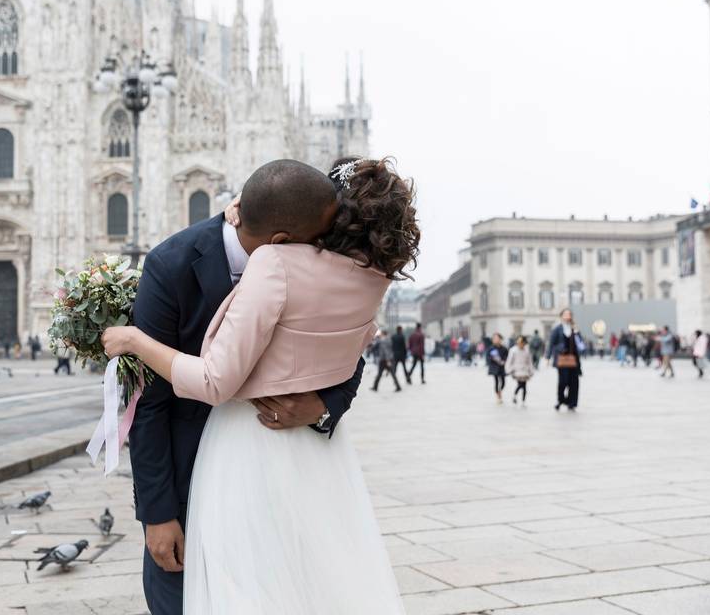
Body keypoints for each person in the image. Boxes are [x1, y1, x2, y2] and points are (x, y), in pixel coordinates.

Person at [102, 157, 415, 614]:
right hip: (195, 475)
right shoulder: (173, 263)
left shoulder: (296, 259)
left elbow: (349, 359)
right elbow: (148, 402)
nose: (323, 246)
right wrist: (157, 512)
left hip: (271, 462)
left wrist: (323, 406)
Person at [547, 308, 584, 412]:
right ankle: (560, 400)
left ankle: (572, 403)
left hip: (574, 359)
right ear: (561, 316)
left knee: (574, 382)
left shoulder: (574, 329)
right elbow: (551, 344)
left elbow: (581, 344)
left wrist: (576, 333)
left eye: (569, 314)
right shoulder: (557, 329)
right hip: (562, 359)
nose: (568, 316)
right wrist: (548, 356)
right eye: (566, 314)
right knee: (563, 381)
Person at [506, 335, 534, 405]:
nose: (520, 344)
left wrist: (531, 370)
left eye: (522, 342)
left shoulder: (527, 350)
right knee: (521, 384)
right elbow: (509, 361)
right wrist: (509, 369)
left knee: (524, 385)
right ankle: (516, 396)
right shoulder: (513, 350)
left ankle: (522, 400)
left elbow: (529, 361)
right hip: (517, 370)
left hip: (525, 370)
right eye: (519, 342)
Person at [487, 333, 508, 404]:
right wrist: (493, 359)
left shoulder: (504, 348)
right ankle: (498, 396)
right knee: (496, 382)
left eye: (497, 338)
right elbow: (488, 358)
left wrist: (503, 361)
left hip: (502, 367)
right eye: (494, 338)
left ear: (500, 339)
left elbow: (507, 356)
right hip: (494, 367)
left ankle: (500, 391)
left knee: (503, 382)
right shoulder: (491, 348)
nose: (495, 340)